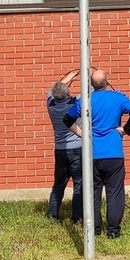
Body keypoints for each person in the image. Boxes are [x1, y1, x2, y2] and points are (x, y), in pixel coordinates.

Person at [63, 69, 130, 239]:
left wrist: (83, 134)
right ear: (107, 82)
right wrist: (126, 129)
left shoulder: (85, 100)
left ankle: (95, 229)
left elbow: (67, 119)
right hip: (114, 153)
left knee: (93, 193)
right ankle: (113, 230)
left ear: (91, 84)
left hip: (92, 154)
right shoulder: (118, 97)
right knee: (115, 193)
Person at [46, 68, 82, 222]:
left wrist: (68, 78)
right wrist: (87, 75)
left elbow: (52, 91)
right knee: (79, 184)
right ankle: (77, 217)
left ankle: (52, 215)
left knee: (58, 184)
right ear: (68, 93)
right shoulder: (76, 104)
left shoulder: (51, 103)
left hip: (60, 149)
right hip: (77, 149)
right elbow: (91, 91)